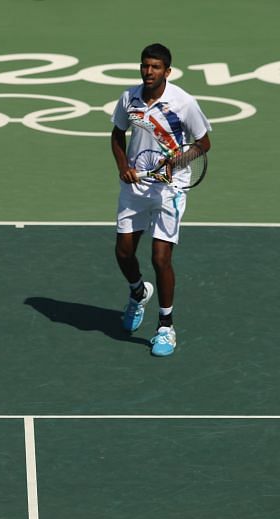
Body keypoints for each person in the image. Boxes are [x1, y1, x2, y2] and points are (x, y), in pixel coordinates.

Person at [109, 43, 212, 357]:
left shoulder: (183, 103)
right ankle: (138, 292)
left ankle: (166, 325)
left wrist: (176, 163)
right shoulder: (130, 98)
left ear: (167, 71)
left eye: (155, 67)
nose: (148, 72)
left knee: (160, 257)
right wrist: (123, 167)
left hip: (170, 189)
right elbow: (117, 135)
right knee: (123, 251)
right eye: (144, 66)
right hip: (136, 187)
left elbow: (204, 142)